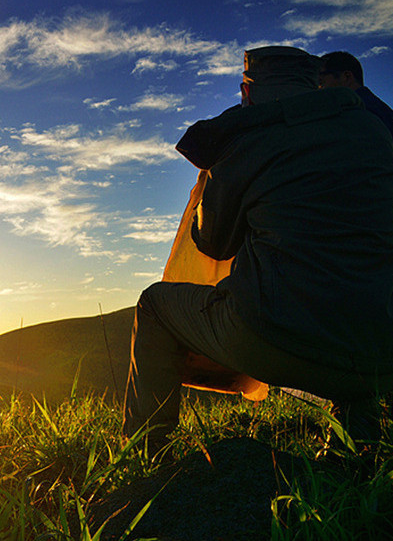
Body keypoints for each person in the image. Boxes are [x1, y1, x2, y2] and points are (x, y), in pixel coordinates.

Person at [122, 46, 393, 453]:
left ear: (248, 90)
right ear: (313, 84)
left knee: (155, 305)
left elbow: (213, 243)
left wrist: (208, 194)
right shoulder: (376, 133)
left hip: (278, 340)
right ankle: (362, 453)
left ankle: (144, 454)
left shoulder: (249, 139)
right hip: (380, 356)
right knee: (352, 305)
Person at [319, 50, 393, 135]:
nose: (319, 89)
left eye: (321, 82)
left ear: (346, 77)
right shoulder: (376, 108)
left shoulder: (358, 112)